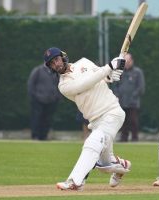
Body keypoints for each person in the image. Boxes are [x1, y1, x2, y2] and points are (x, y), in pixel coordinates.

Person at [42, 47, 131, 191]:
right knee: (104, 164)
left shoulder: (84, 62)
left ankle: (75, 182)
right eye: (52, 63)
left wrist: (112, 74)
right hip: (95, 121)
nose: (56, 64)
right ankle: (122, 165)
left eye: (57, 59)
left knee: (93, 141)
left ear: (63, 56)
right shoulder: (63, 86)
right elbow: (85, 84)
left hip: (112, 112)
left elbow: (102, 76)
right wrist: (109, 67)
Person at [113, 53, 145, 142]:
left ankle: (135, 138)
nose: (126, 63)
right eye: (125, 61)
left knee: (133, 121)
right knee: (122, 121)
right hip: (122, 101)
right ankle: (123, 138)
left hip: (133, 102)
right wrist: (117, 95)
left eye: (128, 61)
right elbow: (115, 86)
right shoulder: (120, 72)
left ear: (132, 61)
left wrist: (134, 96)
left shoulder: (138, 72)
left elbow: (141, 87)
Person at [27, 63, 61, 140]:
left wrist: (57, 97)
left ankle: (44, 136)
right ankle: (35, 136)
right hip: (38, 100)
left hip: (52, 100)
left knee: (48, 119)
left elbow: (59, 84)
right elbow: (31, 84)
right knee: (36, 118)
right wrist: (33, 97)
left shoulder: (56, 72)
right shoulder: (37, 70)